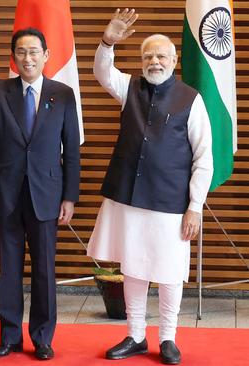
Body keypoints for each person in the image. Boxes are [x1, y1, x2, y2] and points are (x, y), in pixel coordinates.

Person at [87, 9, 214, 365]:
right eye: (147, 56)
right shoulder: (129, 87)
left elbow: (204, 157)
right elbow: (102, 72)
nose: (153, 61)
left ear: (173, 60)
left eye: (160, 56)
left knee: (170, 271)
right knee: (134, 267)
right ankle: (136, 335)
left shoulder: (191, 99)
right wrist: (107, 40)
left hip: (171, 202)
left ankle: (169, 339)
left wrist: (195, 206)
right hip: (129, 198)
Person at [0, 29, 81, 360]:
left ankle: (43, 337)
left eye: (33, 52)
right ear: (13, 57)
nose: (27, 58)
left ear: (46, 55)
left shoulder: (64, 94)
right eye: (21, 52)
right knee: (10, 268)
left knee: (44, 270)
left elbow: (71, 150)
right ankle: (10, 337)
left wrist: (69, 197)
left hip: (47, 195)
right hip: (7, 193)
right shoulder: (0, 90)